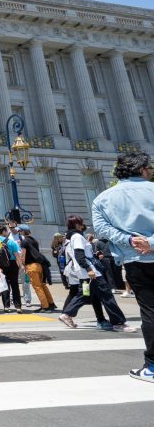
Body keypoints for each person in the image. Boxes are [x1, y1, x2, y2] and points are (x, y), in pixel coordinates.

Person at [92, 152, 154, 382]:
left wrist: (130, 241)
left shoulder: (103, 198)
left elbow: (102, 229)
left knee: (150, 312)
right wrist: (150, 242)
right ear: (142, 169)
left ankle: (152, 367)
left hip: (135, 261)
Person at [59, 214, 134, 332]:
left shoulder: (72, 237)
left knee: (85, 294)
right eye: (81, 223)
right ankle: (118, 322)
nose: (83, 225)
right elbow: (79, 255)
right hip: (90, 272)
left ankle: (67, 314)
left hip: (83, 272)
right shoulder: (77, 237)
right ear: (77, 224)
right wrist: (89, 269)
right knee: (107, 295)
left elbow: (81, 255)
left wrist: (93, 256)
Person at [17, 225, 56, 312]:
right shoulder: (34, 241)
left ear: (23, 232)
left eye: (19, 231)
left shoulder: (24, 242)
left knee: (37, 287)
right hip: (39, 265)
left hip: (31, 266)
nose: (19, 233)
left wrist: (22, 265)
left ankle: (45, 306)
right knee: (43, 285)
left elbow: (23, 255)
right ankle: (51, 303)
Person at [0, 225, 23, 312]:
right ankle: (18, 307)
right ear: (5, 231)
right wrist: (20, 266)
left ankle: (6, 306)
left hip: (0, 266)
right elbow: (16, 255)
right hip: (12, 264)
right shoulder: (11, 242)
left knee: (4, 286)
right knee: (15, 285)